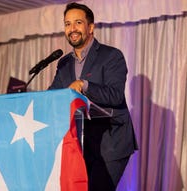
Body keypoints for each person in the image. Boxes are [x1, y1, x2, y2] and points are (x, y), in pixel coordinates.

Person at [49, 2, 138, 191]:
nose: (72, 29)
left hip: (110, 141)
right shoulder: (64, 63)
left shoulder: (112, 56)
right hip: (80, 140)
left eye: (78, 23)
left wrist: (84, 85)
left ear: (90, 27)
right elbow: (54, 95)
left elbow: (115, 95)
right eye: (67, 24)